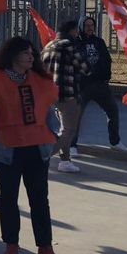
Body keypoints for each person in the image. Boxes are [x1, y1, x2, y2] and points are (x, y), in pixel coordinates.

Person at [0, 37, 62, 254]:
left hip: (37, 148)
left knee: (39, 199)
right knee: (9, 198)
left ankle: (45, 246)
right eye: (26, 53)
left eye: (32, 53)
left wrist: (56, 136)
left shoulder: (42, 80)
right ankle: (11, 244)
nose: (31, 57)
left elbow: (50, 109)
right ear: (13, 55)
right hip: (7, 149)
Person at [40, 20, 90, 174]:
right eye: (77, 30)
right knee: (69, 129)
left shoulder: (49, 45)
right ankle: (44, 156)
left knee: (63, 127)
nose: (78, 33)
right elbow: (85, 67)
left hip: (50, 93)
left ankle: (65, 160)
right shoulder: (68, 45)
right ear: (72, 30)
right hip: (67, 93)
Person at [72, 16, 125, 153]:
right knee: (76, 116)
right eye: (87, 25)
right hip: (83, 87)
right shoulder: (76, 43)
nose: (90, 28)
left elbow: (107, 60)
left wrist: (106, 76)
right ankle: (72, 145)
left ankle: (115, 142)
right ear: (81, 27)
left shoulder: (99, 42)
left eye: (92, 25)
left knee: (113, 111)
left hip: (100, 86)